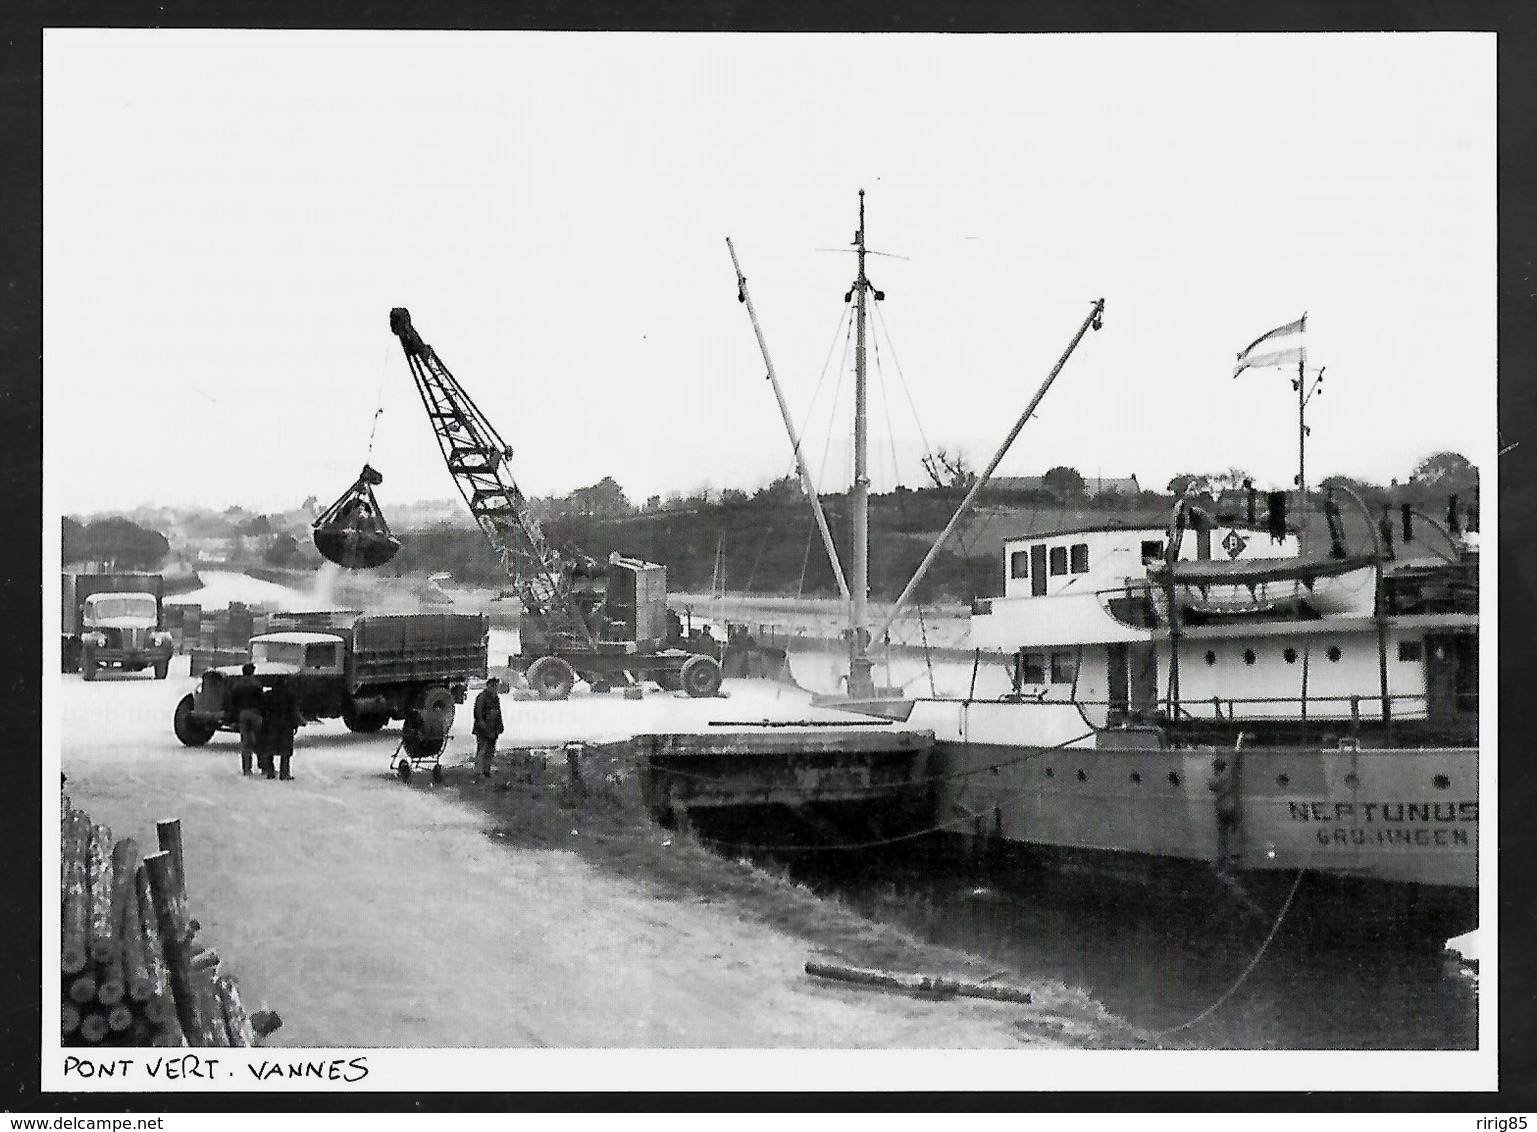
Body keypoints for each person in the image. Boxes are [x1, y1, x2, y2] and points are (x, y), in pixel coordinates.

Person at [262, 677, 301, 781]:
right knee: (286, 750)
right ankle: (284, 773)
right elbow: (293, 711)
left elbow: (263, 711)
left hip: (271, 724)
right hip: (286, 724)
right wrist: (295, 724)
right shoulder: (290, 695)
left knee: (270, 748)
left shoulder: (268, 696)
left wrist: (264, 724)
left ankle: (270, 772)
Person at [229, 662, 264, 777]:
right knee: (259, 740)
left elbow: (233, 702)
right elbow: (261, 700)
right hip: (255, 713)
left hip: (243, 714)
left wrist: (234, 717)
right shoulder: (257, 684)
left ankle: (246, 768)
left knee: (245, 742)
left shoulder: (237, 685)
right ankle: (262, 765)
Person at [472, 676, 504, 778]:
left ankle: (486, 771)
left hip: (493, 728)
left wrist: (500, 726)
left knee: (491, 750)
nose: (495, 688)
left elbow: (499, 713)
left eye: (496, 686)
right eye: (493, 686)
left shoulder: (496, 698)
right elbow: (478, 712)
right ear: (488, 686)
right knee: (482, 749)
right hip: (483, 728)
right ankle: (478, 771)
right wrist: (482, 724)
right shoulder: (482, 697)